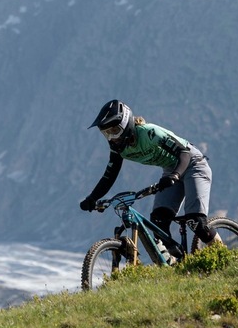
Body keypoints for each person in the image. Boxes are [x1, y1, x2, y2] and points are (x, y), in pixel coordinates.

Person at [78, 99, 220, 247]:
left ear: (126, 125)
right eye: (106, 134)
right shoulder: (118, 149)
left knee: (195, 222)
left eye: (114, 131)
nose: (111, 138)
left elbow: (184, 153)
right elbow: (109, 176)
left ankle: (225, 257)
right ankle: (177, 264)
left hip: (193, 165)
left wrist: (175, 175)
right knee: (159, 222)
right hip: (171, 171)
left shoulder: (150, 133)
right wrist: (92, 198)